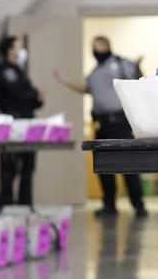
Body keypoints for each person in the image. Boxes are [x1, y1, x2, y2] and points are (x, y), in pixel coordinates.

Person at [55, 36, 147, 218]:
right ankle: (109, 205)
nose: (94, 51)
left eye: (96, 47)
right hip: (100, 123)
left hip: (119, 122)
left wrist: (137, 65)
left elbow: (138, 79)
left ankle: (138, 205)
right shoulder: (94, 72)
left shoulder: (121, 64)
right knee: (105, 166)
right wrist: (67, 81)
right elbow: (85, 89)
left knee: (129, 165)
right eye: (92, 48)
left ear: (106, 46)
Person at [0, 35, 43, 206]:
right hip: (14, 122)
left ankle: (25, 204)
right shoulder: (4, 70)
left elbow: (34, 100)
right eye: (18, 47)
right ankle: (7, 204)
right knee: (10, 167)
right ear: (9, 50)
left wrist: (36, 96)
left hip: (28, 120)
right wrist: (34, 93)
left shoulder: (19, 71)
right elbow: (20, 95)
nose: (22, 51)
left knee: (28, 167)